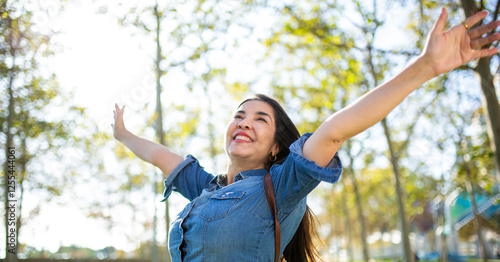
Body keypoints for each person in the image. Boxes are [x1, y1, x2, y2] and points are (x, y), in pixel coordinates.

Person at [112, 8, 500, 262]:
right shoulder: (205, 189)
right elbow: (159, 155)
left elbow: (335, 130)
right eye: (240, 115)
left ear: (278, 144)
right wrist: (124, 135)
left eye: (260, 119)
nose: (245, 122)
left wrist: (426, 67)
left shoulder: (281, 186)